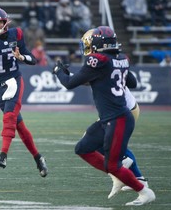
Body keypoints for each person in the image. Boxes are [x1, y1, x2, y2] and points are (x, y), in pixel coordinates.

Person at [52, 26, 155, 205]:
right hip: (112, 117)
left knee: (112, 165)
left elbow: (69, 84)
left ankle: (144, 191)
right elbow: (131, 81)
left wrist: (58, 72)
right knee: (83, 148)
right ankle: (122, 175)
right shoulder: (121, 58)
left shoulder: (97, 60)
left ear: (98, 43)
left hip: (118, 118)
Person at [0, 7, 48, 177]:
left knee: (9, 117)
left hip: (14, 81)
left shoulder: (17, 34)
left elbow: (33, 59)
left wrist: (21, 57)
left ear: (5, 22)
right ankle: (38, 158)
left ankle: (3, 154)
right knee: (19, 125)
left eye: (0, 21)